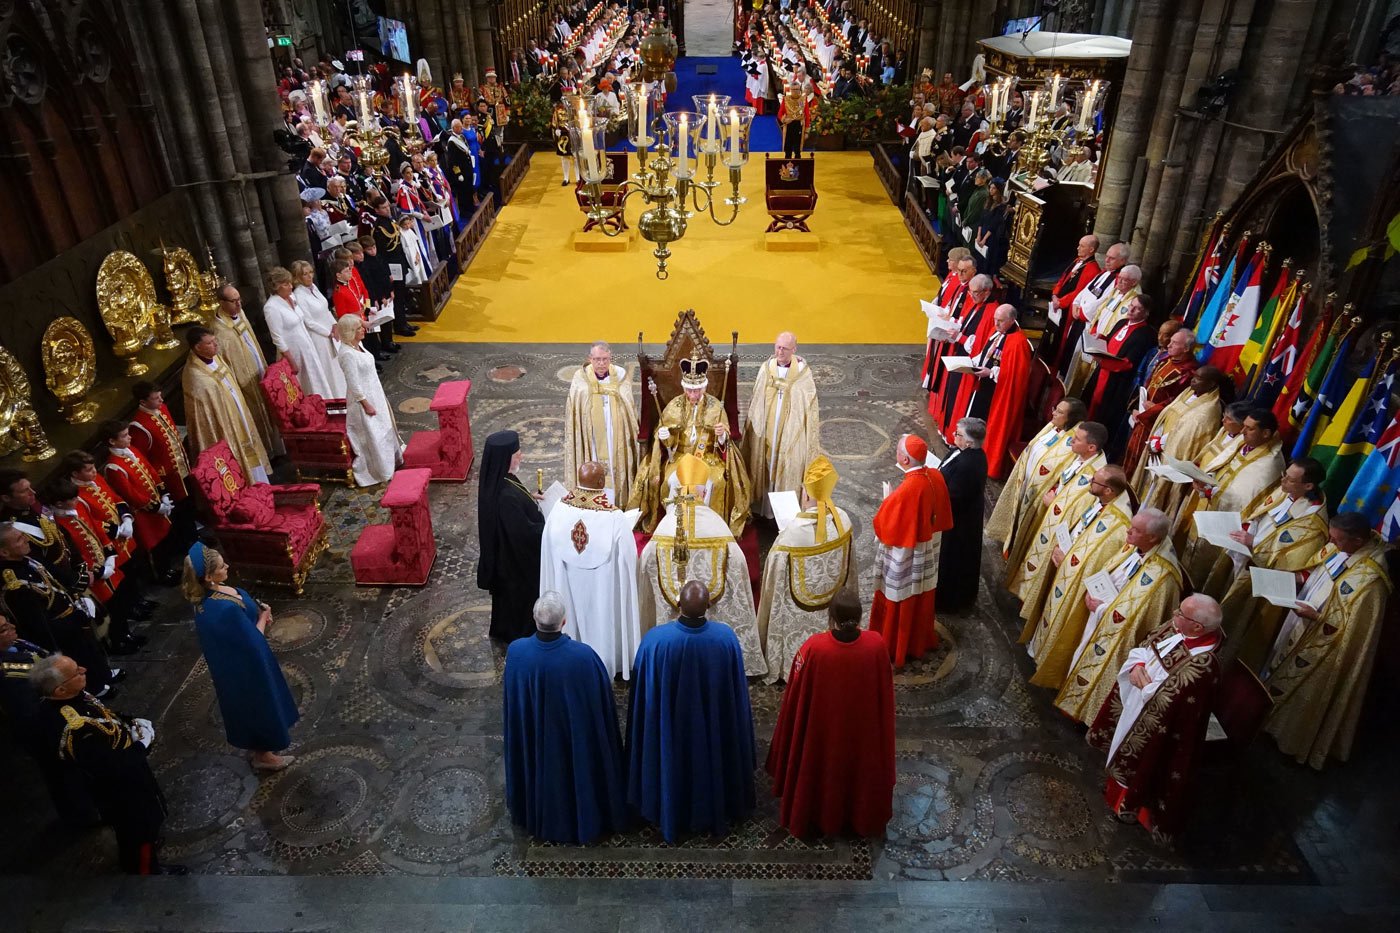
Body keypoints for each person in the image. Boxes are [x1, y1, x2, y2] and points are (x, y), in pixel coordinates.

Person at [626, 580, 757, 843]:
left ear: (677, 605)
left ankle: (666, 803)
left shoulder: (656, 641)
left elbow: (642, 693)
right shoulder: (725, 639)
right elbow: (735, 696)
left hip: (669, 728)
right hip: (711, 729)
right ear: (709, 606)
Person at [29, 653, 184, 873]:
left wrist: (128, 722)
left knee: (143, 821)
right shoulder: (76, 729)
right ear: (59, 690)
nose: (84, 669)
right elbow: (110, 767)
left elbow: (104, 717)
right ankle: (146, 871)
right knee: (139, 829)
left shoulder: (73, 697)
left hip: (124, 772)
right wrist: (142, 745)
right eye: (76, 672)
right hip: (119, 789)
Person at [1086, 595, 1224, 841]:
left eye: (1180, 614)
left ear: (1197, 627)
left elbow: (1171, 702)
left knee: (1141, 763)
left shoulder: (1203, 667)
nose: (1174, 615)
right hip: (1137, 704)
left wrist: (1145, 684)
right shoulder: (1178, 629)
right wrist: (1138, 664)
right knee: (1121, 744)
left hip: (1159, 727)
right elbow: (1147, 646)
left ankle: (1127, 804)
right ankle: (1113, 788)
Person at [1261, 512, 1391, 769]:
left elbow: (1353, 629)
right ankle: (1264, 716)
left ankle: (1289, 737)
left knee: (1305, 691)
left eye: (1338, 540)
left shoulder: (1371, 582)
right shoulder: (1340, 546)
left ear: (1356, 541)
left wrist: (1318, 618)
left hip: (1325, 647)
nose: (1332, 544)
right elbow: (1317, 572)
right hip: (1300, 620)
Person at [766, 589, 894, 838]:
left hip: (820, 735)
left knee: (820, 769)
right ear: (860, 617)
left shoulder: (813, 648)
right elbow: (885, 696)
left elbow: (795, 699)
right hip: (862, 734)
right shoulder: (877, 645)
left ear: (830, 617)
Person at [502, 592, 628, 843]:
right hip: (574, 738)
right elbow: (601, 706)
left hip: (536, 737)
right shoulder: (584, 656)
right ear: (564, 622)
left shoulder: (516, 652)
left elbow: (514, 706)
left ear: (534, 619)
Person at [638, 454, 767, 678]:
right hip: (713, 625)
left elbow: (648, 557)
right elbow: (737, 561)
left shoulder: (667, 525)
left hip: (671, 628)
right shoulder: (717, 524)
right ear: (705, 493)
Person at [1053, 508, 1183, 724]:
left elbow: (1135, 617)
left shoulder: (1163, 577)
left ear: (1152, 537)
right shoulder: (1138, 547)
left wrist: (1103, 609)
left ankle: (1085, 713)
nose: (1128, 531)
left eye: (1135, 530)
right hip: (1099, 610)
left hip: (1113, 631)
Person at [184, 543, 298, 772]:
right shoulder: (222, 610)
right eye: (221, 566)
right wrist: (264, 617)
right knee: (259, 705)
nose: (227, 566)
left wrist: (256, 608)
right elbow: (253, 638)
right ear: (208, 576)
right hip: (247, 666)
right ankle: (264, 756)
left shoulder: (209, 595)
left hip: (236, 663)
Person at [1020, 466, 1135, 691]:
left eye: (1096, 481)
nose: (1090, 482)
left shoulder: (1120, 525)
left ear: (1109, 491)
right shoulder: (1101, 503)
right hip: (1063, 564)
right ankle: (1038, 647)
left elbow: (1099, 562)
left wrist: (1068, 559)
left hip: (1073, 578)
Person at [1213, 458, 1329, 669]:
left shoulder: (1313, 524)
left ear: (1308, 486)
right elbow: (1258, 516)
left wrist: (1254, 543)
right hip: (1244, 559)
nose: (1282, 481)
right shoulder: (1285, 492)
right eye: (1284, 475)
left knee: (1238, 625)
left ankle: (1224, 662)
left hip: (1263, 582)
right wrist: (1247, 530)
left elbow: (1293, 563)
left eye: (1290, 479)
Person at [757, 455, 856, 684]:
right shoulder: (844, 520)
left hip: (796, 613)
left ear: (807, 494)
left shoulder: (791, 535)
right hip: (831, 602)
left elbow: (773, 578)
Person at [539, 461, 641, 680]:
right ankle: (606, 663)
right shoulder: (615, 518)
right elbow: (628, 558)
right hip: (602, 587)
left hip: (566, 579)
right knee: (602, 622)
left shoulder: (559, 508)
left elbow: (548, 543)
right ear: (602, 482)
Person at [629, 354, 751, 536]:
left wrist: (721, 437)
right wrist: (664, 437)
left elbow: (725, 443)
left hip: (708, 457)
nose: (693, 395)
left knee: (715, 482)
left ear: (704, 387)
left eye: (697, 391)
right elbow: (666, 442)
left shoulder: (716, 407)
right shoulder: (674, 405)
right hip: (680, 457)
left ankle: (708, 529)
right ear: (684, 388)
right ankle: (674, 527)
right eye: (690, 391)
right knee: (672, 480)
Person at [0, 522, 119, 697]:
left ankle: (101, 678)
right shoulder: (14, 583)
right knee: (77, 660)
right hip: (60, 630)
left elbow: (56, 577)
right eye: (18, 539)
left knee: (89, 651)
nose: (26, 539)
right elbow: (37, 624)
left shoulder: (27, 560)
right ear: (4, 552)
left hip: (70, 617)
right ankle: (93, 689)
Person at [869, 434, 954, 667]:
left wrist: (888, 502)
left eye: (898, 450)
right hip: (928, 550)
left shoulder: (909, 488)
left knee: (902, 597)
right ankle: (919, 640)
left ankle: (894, 645)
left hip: (907, 555)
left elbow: (887, 526)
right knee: (921, 594)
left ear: (905, 460)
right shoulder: (934, 475)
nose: (896, 453)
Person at [1004, 421, 1109, 609]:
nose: (1071, 441)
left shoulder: (1095, 477)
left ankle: (1029, 601)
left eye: (1076, 439)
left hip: (1059, 532)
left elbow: (1077, 510)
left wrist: (1053, 503)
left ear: (1091, 447)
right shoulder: (1081, 457)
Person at [1176, 409, 1286, 585]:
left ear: (1265, 433)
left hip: (1222, 522)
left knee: (1201, 568)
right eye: (1243, 427)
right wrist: (1206, 478)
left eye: (1249, 429)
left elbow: (1244, 502)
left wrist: (1212, 492)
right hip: (1208, 503)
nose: (1242, 432)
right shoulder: (1243, 443)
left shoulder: (1270, 465)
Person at [986, 398, 1086, 567]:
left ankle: (1016, 554)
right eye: (1056, 408)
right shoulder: (1053, 427)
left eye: (1060, 412)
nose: (1053, 413)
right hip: (1026, 480)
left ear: (1072, 419)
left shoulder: (1072, 445)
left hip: (1039, 493)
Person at [740, 332, 822, 520]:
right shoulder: (766, 368)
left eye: (785, 348)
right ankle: (762, 508)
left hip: (790, 431)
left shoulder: (802, 373)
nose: (780, 351)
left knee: (787, 465)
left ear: (794, 349)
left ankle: (782, 515)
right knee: (765, 464)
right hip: (768, 429)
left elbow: (808, 404)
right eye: (777, 346)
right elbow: (756, 398)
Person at [182, 326, 273, 483]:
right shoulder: (196, 377)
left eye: (214, 340)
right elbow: (207, 416)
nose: (216, 344)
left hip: (238, 412)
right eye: (210, 343)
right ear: (198, 347)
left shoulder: (214, 357)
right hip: (226, 422)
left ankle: (259, 482)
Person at [477, 431, 545, 642]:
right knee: (518, 604)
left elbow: (516, 498)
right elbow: (524, 534)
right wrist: (548, 527)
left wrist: (529, 498)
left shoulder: (501, 480)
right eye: (517, 453)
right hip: (514, 565)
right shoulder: (505, 497)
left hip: (506, 560)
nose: (521, 456)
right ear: (507, 458)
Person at [1130, 366, 1226, 511]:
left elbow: (1186, 435)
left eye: (1198, 379)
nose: (1193, 380)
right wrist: (1157, 435)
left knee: (1155, 495)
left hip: (1172, 453)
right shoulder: (1188, 393)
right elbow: (1166, 415)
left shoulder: (1209, 410)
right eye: (1194, 376)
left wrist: (1160, 443)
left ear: (1211, 384)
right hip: (1158, 446)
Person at [955, 304, 1032, 478]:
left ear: (1012, 320)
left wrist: (991, 373)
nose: (996, 324)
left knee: (987, 425)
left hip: (998, 392)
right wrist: (972, 362)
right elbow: (986, 353)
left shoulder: (1018, 343)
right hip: (983, 384)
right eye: (995, 319)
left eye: (1000, 321)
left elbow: (1014, 376)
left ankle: (982, 459)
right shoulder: (997, 331)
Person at [563, 341, 639, 509]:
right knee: (593, 464)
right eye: (597, 359)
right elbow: (576, 407)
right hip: (592, 438)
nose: (601, 363)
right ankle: (591, 503)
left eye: (605, 359)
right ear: (590, 359)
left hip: (615, 434)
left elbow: (628, 405)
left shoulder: (620, 376)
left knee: (614, 468)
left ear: (610, 357)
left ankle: (617, 503)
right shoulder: (580, 379)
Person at [211, 284, 280, 455]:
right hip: (245, 381)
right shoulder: (219, 331)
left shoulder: (239, 313)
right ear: (221, 303)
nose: (239, 304)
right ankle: (266, 450)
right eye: (233, 301)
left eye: (239, 299)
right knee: (256, 412)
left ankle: (277, 444)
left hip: (258, 368)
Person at [335, 314, 403, 486]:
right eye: (359, 328)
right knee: (374, 434)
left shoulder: (358, 345)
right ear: (350, 332)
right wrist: (366, 404)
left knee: (384, 428)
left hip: (375, 392)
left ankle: (391, 462)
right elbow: (354, 384)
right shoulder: (347, 354)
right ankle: (379, 470)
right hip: (363, 401)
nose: (363, 329)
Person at [1121, 327, 1198, 474]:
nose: (1168, 345)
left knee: (1140, 463)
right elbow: (1146, 385)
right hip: (1141, 417)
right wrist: (1135, 408)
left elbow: (1177, 402)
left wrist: (1152, 410)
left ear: (1186, 348)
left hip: (1156, 424)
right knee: (1129, 455)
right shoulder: (1165, 361)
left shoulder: (1189, 372)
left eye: (1174, 343)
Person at [936, 418, 988, 613]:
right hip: (957, 516)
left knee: (954, 561)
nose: (953, 436)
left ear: (969, 442)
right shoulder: (963, 452)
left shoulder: (969, 464)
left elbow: (954, 497)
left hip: (960, 523)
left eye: (958, 434)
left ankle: (948, 602)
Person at [1084, 295, 1157, 429]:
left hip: (1117, 381)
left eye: (1137, 308)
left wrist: (1103, 361)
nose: (1131, 309)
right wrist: (1101, 339)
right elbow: (1113, 341)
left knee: (1103, 415)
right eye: (1131, 305)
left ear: (1146, 313)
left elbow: (1129, 363)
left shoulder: (1145, 334)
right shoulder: (1122, 323)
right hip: (1102, 372)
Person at [1059, 242, 1128, 380]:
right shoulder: (1104, 273)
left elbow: (1102, 302)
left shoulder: (1117, 280)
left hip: (1087, 324)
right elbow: (1086, 290)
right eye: (1107, 256)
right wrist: (1076, 304)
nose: (1106, 260)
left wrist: (1082, 312)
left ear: (1123, 261)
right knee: (1068, 355)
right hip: (1078, 318)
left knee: (1075, 362)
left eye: (1112, 258)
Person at [289, 261, 348, 398]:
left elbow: (325, 308)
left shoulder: (314, 288)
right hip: (318, 337)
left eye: (311, 272)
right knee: (328, 369)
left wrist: (334, 325)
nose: (310, 276)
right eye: (305, 274)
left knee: (336, 367)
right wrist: (328, 332)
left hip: (330, 333)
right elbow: (308, 321)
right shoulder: (299, 295)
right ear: (298, 277)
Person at [129, 382, 191, 506]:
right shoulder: (139, 426)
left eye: (160, 396)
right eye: (156, 398)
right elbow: (142, 458)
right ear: (143, 402)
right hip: (168, 477)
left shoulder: (162, 408)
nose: (161, 400)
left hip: (183, 466)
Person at [1045, 235, 1103, 368]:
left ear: (1091, 250)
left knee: (1060, 342)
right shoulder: (1077, 261)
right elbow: (1063, 278)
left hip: (1067, 310)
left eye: (1082, 246)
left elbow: (1079, 292)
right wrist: (1055, 294)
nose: (1078, 248)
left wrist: (1061, 302)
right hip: (1057, 305)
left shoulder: (1092, 269)